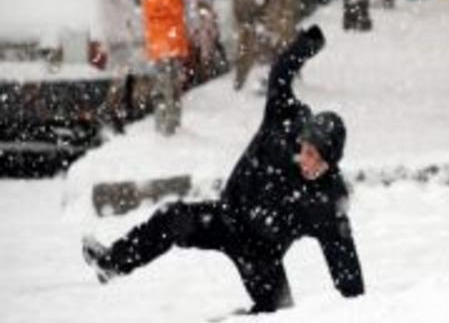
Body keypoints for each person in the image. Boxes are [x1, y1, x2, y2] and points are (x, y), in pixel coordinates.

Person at [82, 25, 365, 313]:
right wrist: (308, 44)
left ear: (330, 163)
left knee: (276, 313)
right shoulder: (283, 118)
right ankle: (112, 263)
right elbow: (281, 71)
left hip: (261, 254)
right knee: (172, 217)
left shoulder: (327, 199)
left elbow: (344, 262)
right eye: (305, 150)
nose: (305, 160)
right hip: (226, 218)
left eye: (316, 159)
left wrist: (361, 308)